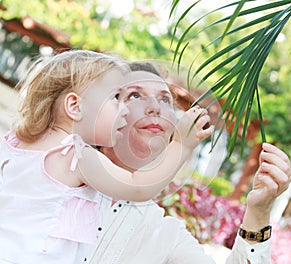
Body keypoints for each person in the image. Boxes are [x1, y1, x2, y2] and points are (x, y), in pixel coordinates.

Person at [0, 51, 213, 263]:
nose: (124, 110)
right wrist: (181, 144)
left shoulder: (18, 142)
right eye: (116, 98)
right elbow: (138, 187)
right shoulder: (75, 155)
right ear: (75, 106)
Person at [84, 62, 291, 264]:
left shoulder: (164, 234)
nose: (155, 107)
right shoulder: (65, 167)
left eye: (165, 100)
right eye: (135, 95)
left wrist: (258, 212)